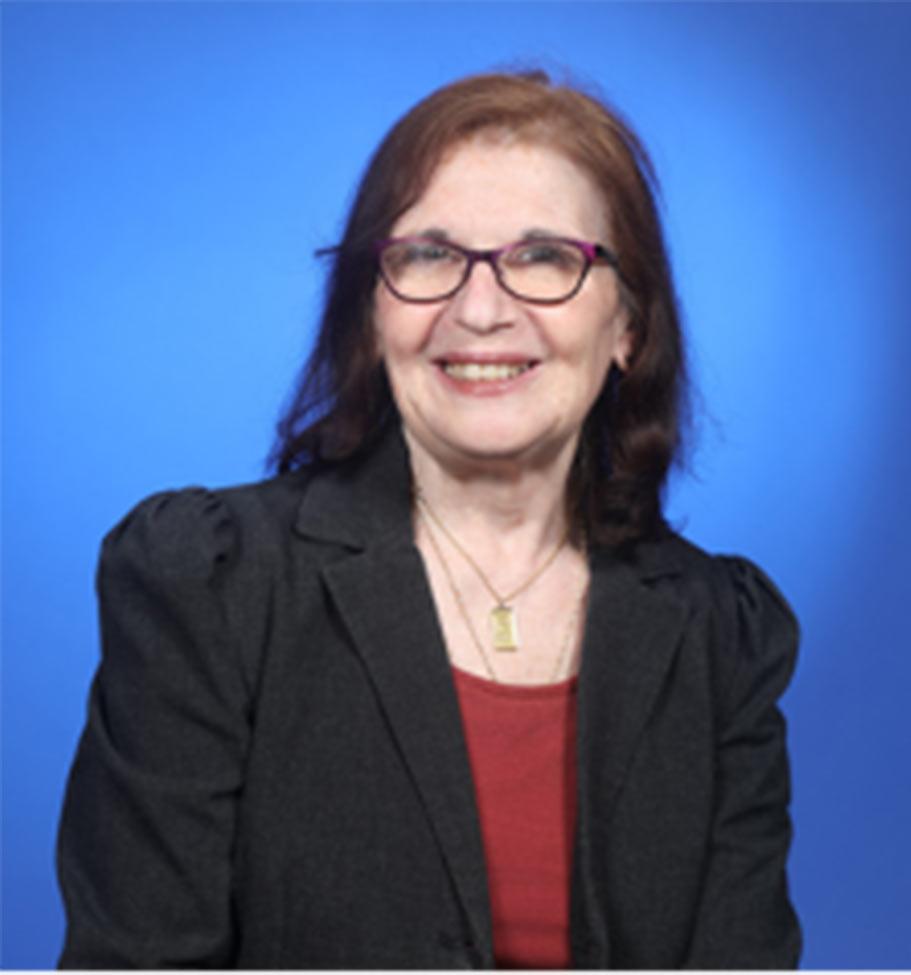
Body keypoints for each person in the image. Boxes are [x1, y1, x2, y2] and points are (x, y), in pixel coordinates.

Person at [57, 70, 801, 969]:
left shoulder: (718, 632)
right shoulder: (210, 584)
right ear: (371, 314)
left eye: (542, 257)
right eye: (428, 256)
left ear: (628, 328)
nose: (479, 309)